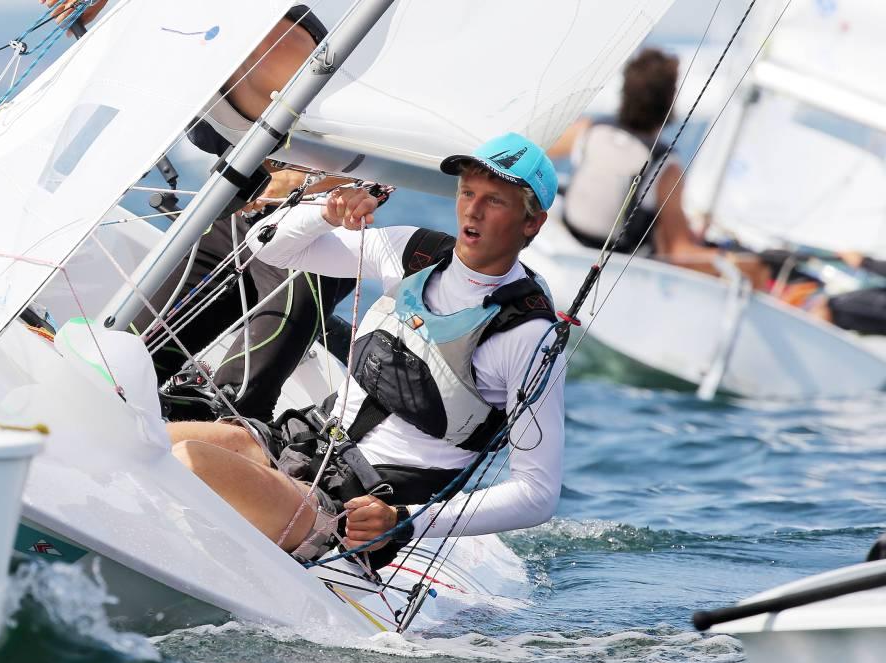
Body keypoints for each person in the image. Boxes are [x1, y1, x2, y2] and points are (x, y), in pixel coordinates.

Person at [166, 132, 566, 565]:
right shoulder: (414, 253)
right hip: (298, 444)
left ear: (532, 223)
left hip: (353, 510)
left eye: (495, 201)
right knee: (144, 438)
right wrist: (328, 210)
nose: (472, 209)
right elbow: (266, 244)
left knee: (188, 461)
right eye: (468, 192)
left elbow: (537, 494)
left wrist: (404, 520)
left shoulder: (528, 338)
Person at [43, 0, 358, 422]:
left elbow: (363, 154)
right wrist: (97, 20)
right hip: (238, 211)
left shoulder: (273, 40)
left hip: (317, 228)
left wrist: (299, 190)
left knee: (236, 403)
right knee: (122, 358)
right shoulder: (172, 37)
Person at [549, 48, 769, 289]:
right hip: (614, 272)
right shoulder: (666, 167)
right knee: (754, 267)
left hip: (566, 250)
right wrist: (742, 264)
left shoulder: (589, 130)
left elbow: (539, 151)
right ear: (668, 101)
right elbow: (680, 253)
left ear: (626, 91)